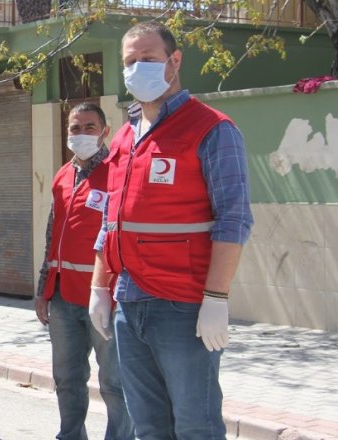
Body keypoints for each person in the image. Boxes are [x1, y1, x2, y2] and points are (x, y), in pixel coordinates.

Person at [88, 21, 253, 439]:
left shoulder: (213, 129)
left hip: (183, 307)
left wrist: (216, 298)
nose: (137, 69)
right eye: (130, 62)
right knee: (148, 427)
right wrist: (99, 289)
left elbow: (234, 219)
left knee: (195, 425)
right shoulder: (125, 136)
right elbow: (111, 220)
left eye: (148, 59)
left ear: (175, 60)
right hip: (129, 302)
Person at [35, 102, 134, 440]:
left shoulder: (118, 172)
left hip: (104, 297)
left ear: (105, 131)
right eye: (75, 128)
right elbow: (53, 234)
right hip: (63, 297)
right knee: (66, 377)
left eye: (89, 127)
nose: (81, 134)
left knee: (114, 383)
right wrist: (42, 290)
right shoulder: (63, 175)